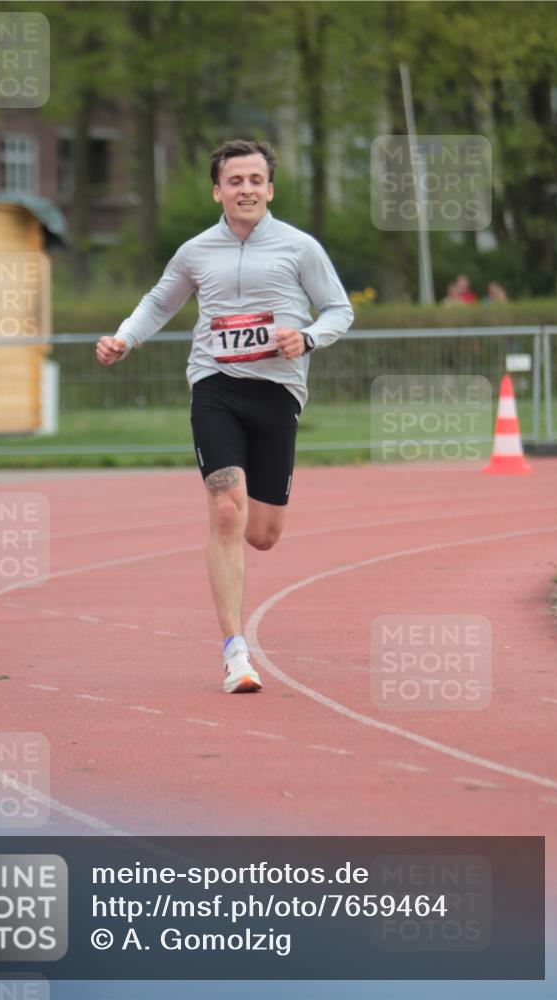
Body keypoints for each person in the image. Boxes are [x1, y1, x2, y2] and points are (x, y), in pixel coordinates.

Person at [96, 139, 353, 693]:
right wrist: (124, 338)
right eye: (235, 181)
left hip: (278, 392)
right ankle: (236, 650)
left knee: (262, 534)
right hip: (214, 386)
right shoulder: (195, 251)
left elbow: (340, 309)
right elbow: (160, 302)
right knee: (226, 512)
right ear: (218, 191)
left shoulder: (299, 247)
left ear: (270, 189)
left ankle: (240, 618)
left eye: (255, 180)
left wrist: (305, 337)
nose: (246, 190)